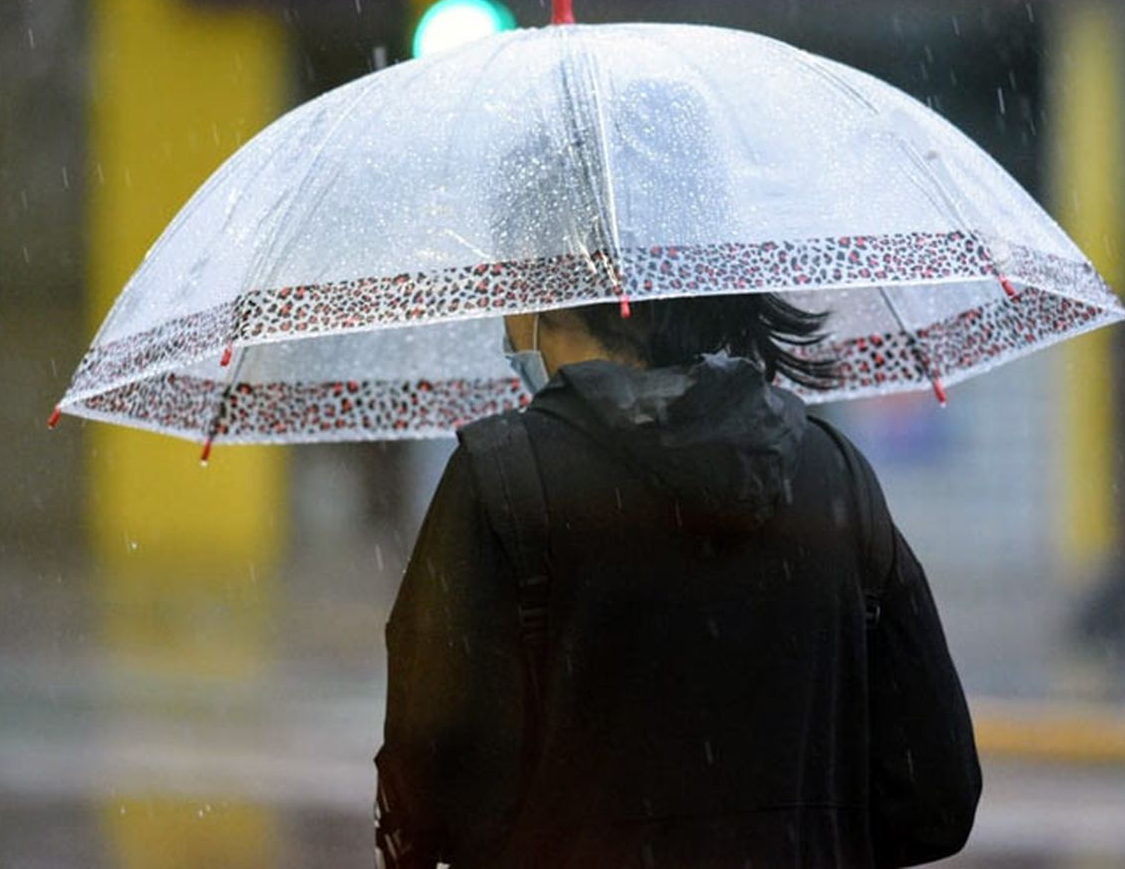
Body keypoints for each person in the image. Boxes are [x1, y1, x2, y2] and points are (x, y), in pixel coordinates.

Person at [373, 292, 981, 867]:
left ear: (553, 297)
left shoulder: (503, 479)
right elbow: (935, 795)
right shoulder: (835, 474)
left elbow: (436, 796)